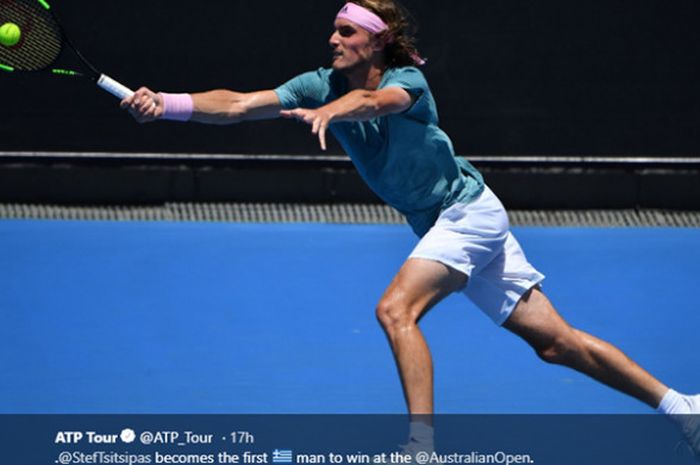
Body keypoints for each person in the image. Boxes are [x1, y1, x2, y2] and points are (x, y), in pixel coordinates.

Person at [122, 0, 699, 456]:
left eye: (346, 32)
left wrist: (334, 111)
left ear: (377, 40)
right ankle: (683, 408)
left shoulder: (406, 82)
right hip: (450, 220)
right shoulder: (317, 82)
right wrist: (168, 103)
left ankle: (421, 449)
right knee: (555, 344)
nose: (333, 40)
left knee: (396, 310)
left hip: (466, 214)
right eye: (334, 30)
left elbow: (379, 102)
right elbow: (240, 104)